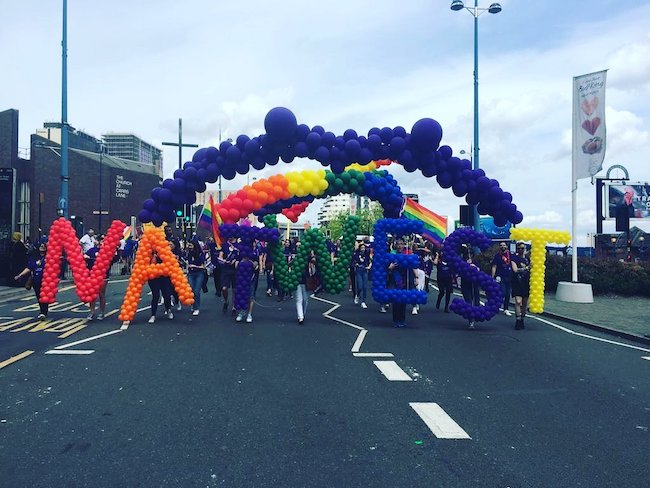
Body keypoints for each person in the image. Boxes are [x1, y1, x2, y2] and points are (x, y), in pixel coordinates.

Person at [84, 235, 116, 321]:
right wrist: (85, 257)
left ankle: (102, 312)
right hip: (92, 275)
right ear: (97, 241)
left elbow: (113, 259)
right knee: (92, 294)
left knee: (101, 294)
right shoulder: (92, 250)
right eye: (101, 240)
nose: (102, 241)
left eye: (104, 240)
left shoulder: (107, 250)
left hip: (103, 275)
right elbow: (85, 256)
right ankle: (92, 312)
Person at [14, 242, 49, 320]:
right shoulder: (34, 257)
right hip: (36, 280)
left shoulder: (49, 257)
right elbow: (29, 268)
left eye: (44, 246)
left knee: (45, 296)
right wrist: (20, 275)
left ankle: (43, 312)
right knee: (39, 296)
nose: (42, 247)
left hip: (46, 281)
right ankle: (42, 311)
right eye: (41, 246)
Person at [387, 239, 417, 328]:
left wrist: (416, 277)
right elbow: (387, 271)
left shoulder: (406, 256)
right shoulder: (392, 256)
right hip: (395, 282)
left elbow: (412, 268)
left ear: (404, 245)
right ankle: (396, 320)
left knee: (403, 302)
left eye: (401, 244)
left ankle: (402, 320)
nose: (400, 246)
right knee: (396, 302)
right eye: (398, 244)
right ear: (395, 246)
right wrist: (390, 267)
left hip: (404, 282)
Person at [147, 247, 174, 324]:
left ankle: (168, 310)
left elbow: (169, 263)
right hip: (153, 277)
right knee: (156, 295)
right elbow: (151, 264)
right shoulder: (149, 252)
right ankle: (153, 315)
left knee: (167, 295)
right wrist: (154, 256)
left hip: (164, 276)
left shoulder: (165, 251)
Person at [511, 241, 531, 330]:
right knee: (518, 301)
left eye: (522, 248)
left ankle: (522, 318)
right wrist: (526, 268)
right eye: (519, 248)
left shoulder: (528, 259)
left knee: (525, 302)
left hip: (526, 282)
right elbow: (515, 270)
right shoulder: (514, 258)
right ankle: (518, 319)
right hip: (517, 282)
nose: (520, 250)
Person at [460, 245, 481, 329]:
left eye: (471, 254)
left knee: (476, 302)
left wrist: (474, 267)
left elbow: (479, 270)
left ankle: (476, 315)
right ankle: (471, 321)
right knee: (468, 301)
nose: (470, 255)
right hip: (465, 284)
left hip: (475, 284)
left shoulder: (475, 261)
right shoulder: (462, 261)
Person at [296, 251, 319, 324]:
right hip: (297, 280)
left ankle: (302, 314)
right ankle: (301, 317)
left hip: (305, 280)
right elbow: (290, 264)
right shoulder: (296, 258)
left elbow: (314, 261)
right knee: (299, 299)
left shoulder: (307, 257)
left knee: (305, 299)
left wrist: (313, 255)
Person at [185, 240, 206, 316]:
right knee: (191, 290)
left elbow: (204, 266)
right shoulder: (188, 253)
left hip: (199, 273)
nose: (189, 247)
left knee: (196, 291)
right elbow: (187, 262)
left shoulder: (200, 254)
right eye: (188, 246)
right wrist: (187, 269)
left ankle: (196, 308)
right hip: (191, 274)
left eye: (190, 245)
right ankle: (193, 304)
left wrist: (195, 266)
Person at [491, 241, 513, 316]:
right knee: (502, 292)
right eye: (501, 245)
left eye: (504, 245)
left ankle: (506, 309)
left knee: (508, 294)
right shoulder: (497, 256)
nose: (502, 246)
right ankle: (497, 305)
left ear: (506, 246)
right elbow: (494, 266)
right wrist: (492, 277)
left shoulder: (510, 255)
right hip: (500, 276)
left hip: (509, 277)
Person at [219, 237, 239, 314]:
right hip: (226, 269)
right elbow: (221, 255)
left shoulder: (238, 245)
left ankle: (234, 306)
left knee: (235, 289)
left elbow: (239, 256)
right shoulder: (224, 245)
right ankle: (226, 301)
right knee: (224, 288)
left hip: (235, 270)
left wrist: (235, 261)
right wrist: (222, 260)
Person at [352, 242, 371, 309]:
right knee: (360, 286)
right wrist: (356, 264)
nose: (363, 249)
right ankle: (357, 295)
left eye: (364, 248)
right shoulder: (356, 254)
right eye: (362, 248)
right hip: (359, 271)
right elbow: (353, 262)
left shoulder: (366, 255)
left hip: (365, 271)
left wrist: (369, 267)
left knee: (365, 287)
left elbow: (370, 261)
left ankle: (363, 302)